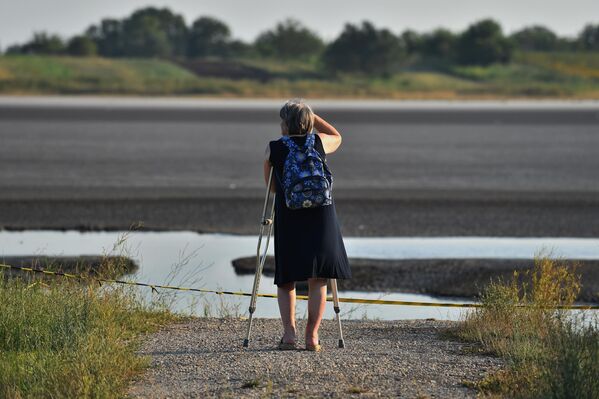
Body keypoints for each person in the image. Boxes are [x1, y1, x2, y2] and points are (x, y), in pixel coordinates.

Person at [264, 99, 352, 352]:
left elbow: (271, 187)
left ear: (284, 124)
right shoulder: (319, 142)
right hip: (321, 215)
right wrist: (312, 116)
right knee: (318, 278)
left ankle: (289, 336)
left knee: (287, 278)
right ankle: (312, 337)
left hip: (289, 214)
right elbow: (337, 135)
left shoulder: (274, 149)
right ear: (309, 122)